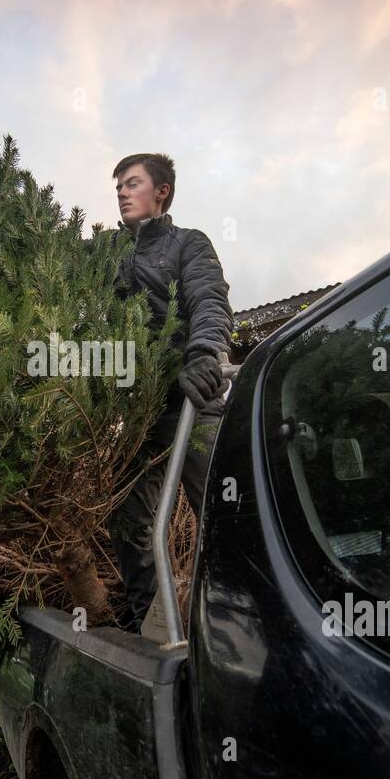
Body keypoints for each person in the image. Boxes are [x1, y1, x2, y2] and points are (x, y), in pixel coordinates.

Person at [107, 153, 234, 631]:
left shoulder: (187, 244)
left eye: (132, 182)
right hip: (143, 409)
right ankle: (152, 623)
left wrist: (204, 354)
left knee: (223, 508)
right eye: (118, 185)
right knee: (128, 520)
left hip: (191, 399)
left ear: (161, 191)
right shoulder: (109, 254)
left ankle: (234, 615)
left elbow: (209, 298)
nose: (121, 191)